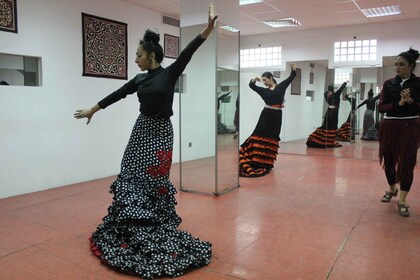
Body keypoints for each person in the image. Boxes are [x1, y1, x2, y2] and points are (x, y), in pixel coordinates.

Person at [74, 4, 217, 278]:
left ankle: (153, 222)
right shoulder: (139, 80)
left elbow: (188, 53)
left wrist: (207, 30)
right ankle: (131, 221)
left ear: (151, 56)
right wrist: (93, 109)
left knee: (155, 180)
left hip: (162, 134)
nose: (135, 59)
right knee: (131, 174)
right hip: (141, 132)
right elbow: (117, 94)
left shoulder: (169, 73)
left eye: (138, 55)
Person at [378, 48, 420, 217]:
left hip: (410, 127)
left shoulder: (418, 83)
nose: (397, 67)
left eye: (401, 64)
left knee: (407, 163)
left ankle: (402, 200)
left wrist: (411, 101)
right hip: (390, 127)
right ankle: (392, 189)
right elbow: (381, 107)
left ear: (411, 66)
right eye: (396, 65)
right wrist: (399, 104)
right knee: (389, 161)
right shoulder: (389, 84)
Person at [239, 64, 297, 177]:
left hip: (276, 117)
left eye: (265, 80)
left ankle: (266, 163)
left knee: (272, 137)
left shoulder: (281, 87)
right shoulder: (263, 91)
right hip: (265, 116)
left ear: (271, 78)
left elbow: (291, 77)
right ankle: (256, 161)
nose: (264, 82)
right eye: (263, 81)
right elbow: (251, 86)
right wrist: (254, 80)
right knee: (259, 135)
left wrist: (294, 68)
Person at [306, 81, 348, 148]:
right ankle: (328, 141)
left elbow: (328, 95)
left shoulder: (326, 94)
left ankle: (324, 140)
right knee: (332, 126)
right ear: (333, 89)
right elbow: (341, 88)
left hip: (329, 111)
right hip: (334, 112)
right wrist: (345, 83)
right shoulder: (336, 94)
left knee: (326, 125)